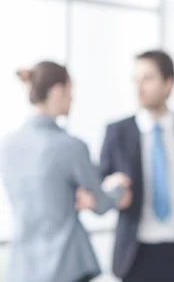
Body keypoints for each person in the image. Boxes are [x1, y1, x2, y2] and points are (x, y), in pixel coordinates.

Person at [0, 61, 132, 282]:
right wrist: (117, 187)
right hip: (65, 267)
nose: (73, 98)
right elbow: (100, 204)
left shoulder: (7, 146)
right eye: (71, 91)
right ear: (58, 90)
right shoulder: (70, 146)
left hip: (22, 270)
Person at [99, 50, 174, 282]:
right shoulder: (117, 132)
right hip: (137, 255)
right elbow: (102, 185)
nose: (139, 87)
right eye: (135, 80)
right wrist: (111, 186)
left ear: (169, 83)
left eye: (147, 79)